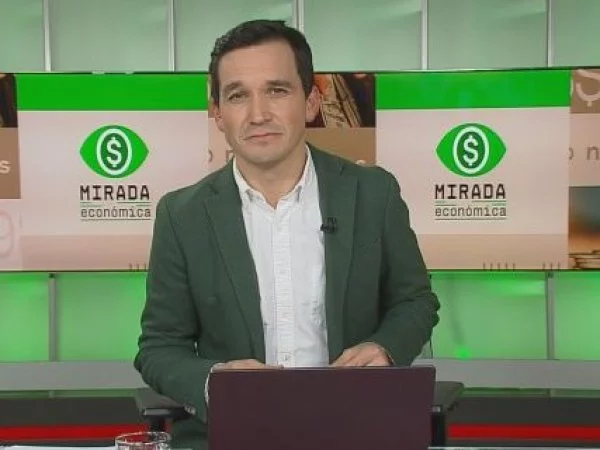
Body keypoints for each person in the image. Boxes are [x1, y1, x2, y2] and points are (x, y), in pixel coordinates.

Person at [134, 19, 440, 450]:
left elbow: (416, 302)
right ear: (217, 112)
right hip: (235, 436)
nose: (258, 114)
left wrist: (384, 348)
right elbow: (159, 347)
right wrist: (215, 380)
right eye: (238, 95)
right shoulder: (181, 215)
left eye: (276, 90)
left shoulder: (374, 194)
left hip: (357, 432)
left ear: (311, 101)